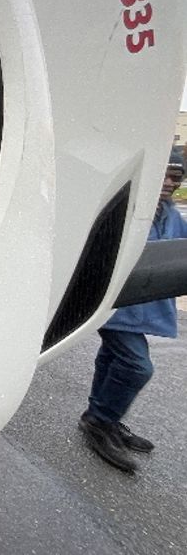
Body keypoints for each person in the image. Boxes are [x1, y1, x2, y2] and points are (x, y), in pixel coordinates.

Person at [79, 147, 187, 472]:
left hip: (138, 306)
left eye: (177, 177)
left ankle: (100, 416)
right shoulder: (126, 207)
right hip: (110, 303)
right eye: (164, 174)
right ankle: (100, 422)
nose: (169, 182)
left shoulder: (171, 214)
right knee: (137, 367)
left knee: (113, 358)